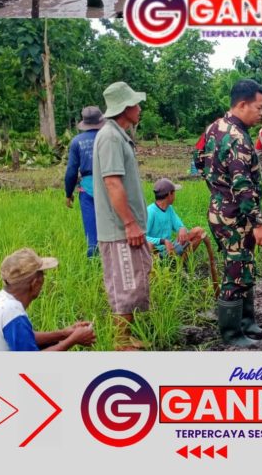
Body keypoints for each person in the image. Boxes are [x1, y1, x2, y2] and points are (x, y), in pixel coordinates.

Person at [201, 79, 262, 347]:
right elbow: (242, 185)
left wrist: (217, 190)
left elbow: (199, 163)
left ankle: (247, 324)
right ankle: (233, 336)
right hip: (235, 215)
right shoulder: (237, 138)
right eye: (258, 108)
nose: (261, 114)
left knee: (243, 265)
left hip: (222, 210)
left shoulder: (213, 128)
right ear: (242, 104)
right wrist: (258, 223)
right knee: (236, 272)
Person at [92, 81, 152, 350]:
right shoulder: (111, 137)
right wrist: (129, 223)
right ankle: (121, 343)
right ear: (125, 108)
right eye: (136, 104)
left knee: (130, 283)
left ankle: (125, 338)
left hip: (124, 229)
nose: (140, 109)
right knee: (126, 286)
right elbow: (113, 183)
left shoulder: (118, 135)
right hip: (120, 231)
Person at [0, 248, 96, 352]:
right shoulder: (12, 313)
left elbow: (25, 337)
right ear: (35, 283)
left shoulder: (0, 299)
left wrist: (64, 333)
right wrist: (73, 340)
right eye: (43, 275)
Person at [64, 105, 104, 257]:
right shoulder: (108, 138)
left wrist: (68, 194)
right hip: (109, 185)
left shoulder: (77, 142)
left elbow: (71, 172)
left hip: (87, 189)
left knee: (91, 230)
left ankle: (93, 261)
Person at [146, 178, 205, 259]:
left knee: (199, 231)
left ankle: (179, 263)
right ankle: (158, 265)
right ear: (170, 194)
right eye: (174, 193)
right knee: (149, 245)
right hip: (155, 251)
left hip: (170, 248)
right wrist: (163, 241)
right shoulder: (150, 212)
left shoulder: (169, 208)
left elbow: (179, 226)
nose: (175, 196)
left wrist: (182, 228)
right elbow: (142, 237)